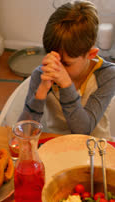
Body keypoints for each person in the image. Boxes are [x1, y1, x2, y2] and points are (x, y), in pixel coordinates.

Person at [18, 1, 115, 139]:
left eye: (66, 64)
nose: (58, 68)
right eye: (54, 57)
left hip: (96, 148)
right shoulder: (42, 74)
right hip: (56, 144)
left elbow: (83, 130)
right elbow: (24, 131)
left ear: (91, 54)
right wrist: (41, 92)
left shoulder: (108, 75)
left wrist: (66, 85)